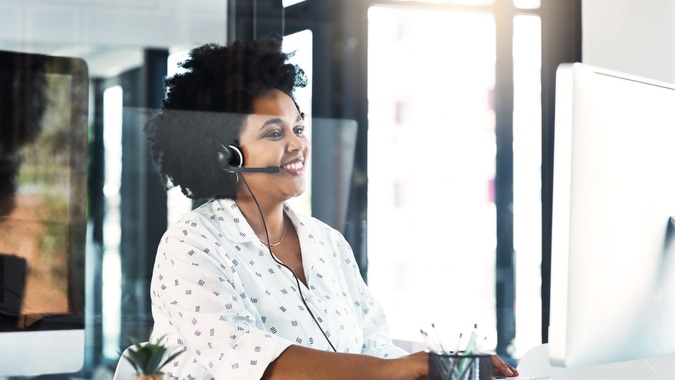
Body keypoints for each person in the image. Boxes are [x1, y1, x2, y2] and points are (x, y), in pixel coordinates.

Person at [144, 33, 519, 379]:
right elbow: (250, 360)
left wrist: (445, 370)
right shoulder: (192, 245)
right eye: (275, 132)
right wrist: (396, 369)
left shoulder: (327, 243)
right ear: (227, 155)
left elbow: (374, 348)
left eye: (299, 128)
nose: (298, 145)